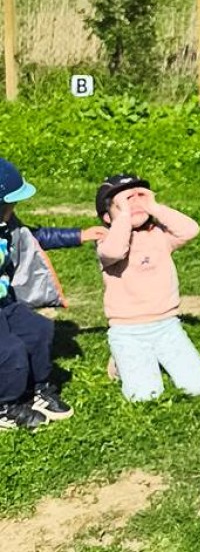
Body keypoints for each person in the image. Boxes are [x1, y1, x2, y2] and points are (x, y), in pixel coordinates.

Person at [0, 158, 105, 429]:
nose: (13, 209)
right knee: (9, 351)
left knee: (39, 330)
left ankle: (38, 390)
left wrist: (78, 235)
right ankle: (5, 405)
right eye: (9, 204)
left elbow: (32, 237)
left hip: (5, 303)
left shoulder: (7, 225)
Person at [94, 175, 200, 402]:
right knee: (144, 396)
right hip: (127, 332)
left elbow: (190, 230)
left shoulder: (159, 236)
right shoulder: (107, 240)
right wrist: (125, 217)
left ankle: (144, 360)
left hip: (167, 326)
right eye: (126, 200)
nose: (135, 203)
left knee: (197, 387)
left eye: (141, 196)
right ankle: (121, 360)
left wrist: (154, 207)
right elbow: (115, 252)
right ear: (107, 217)